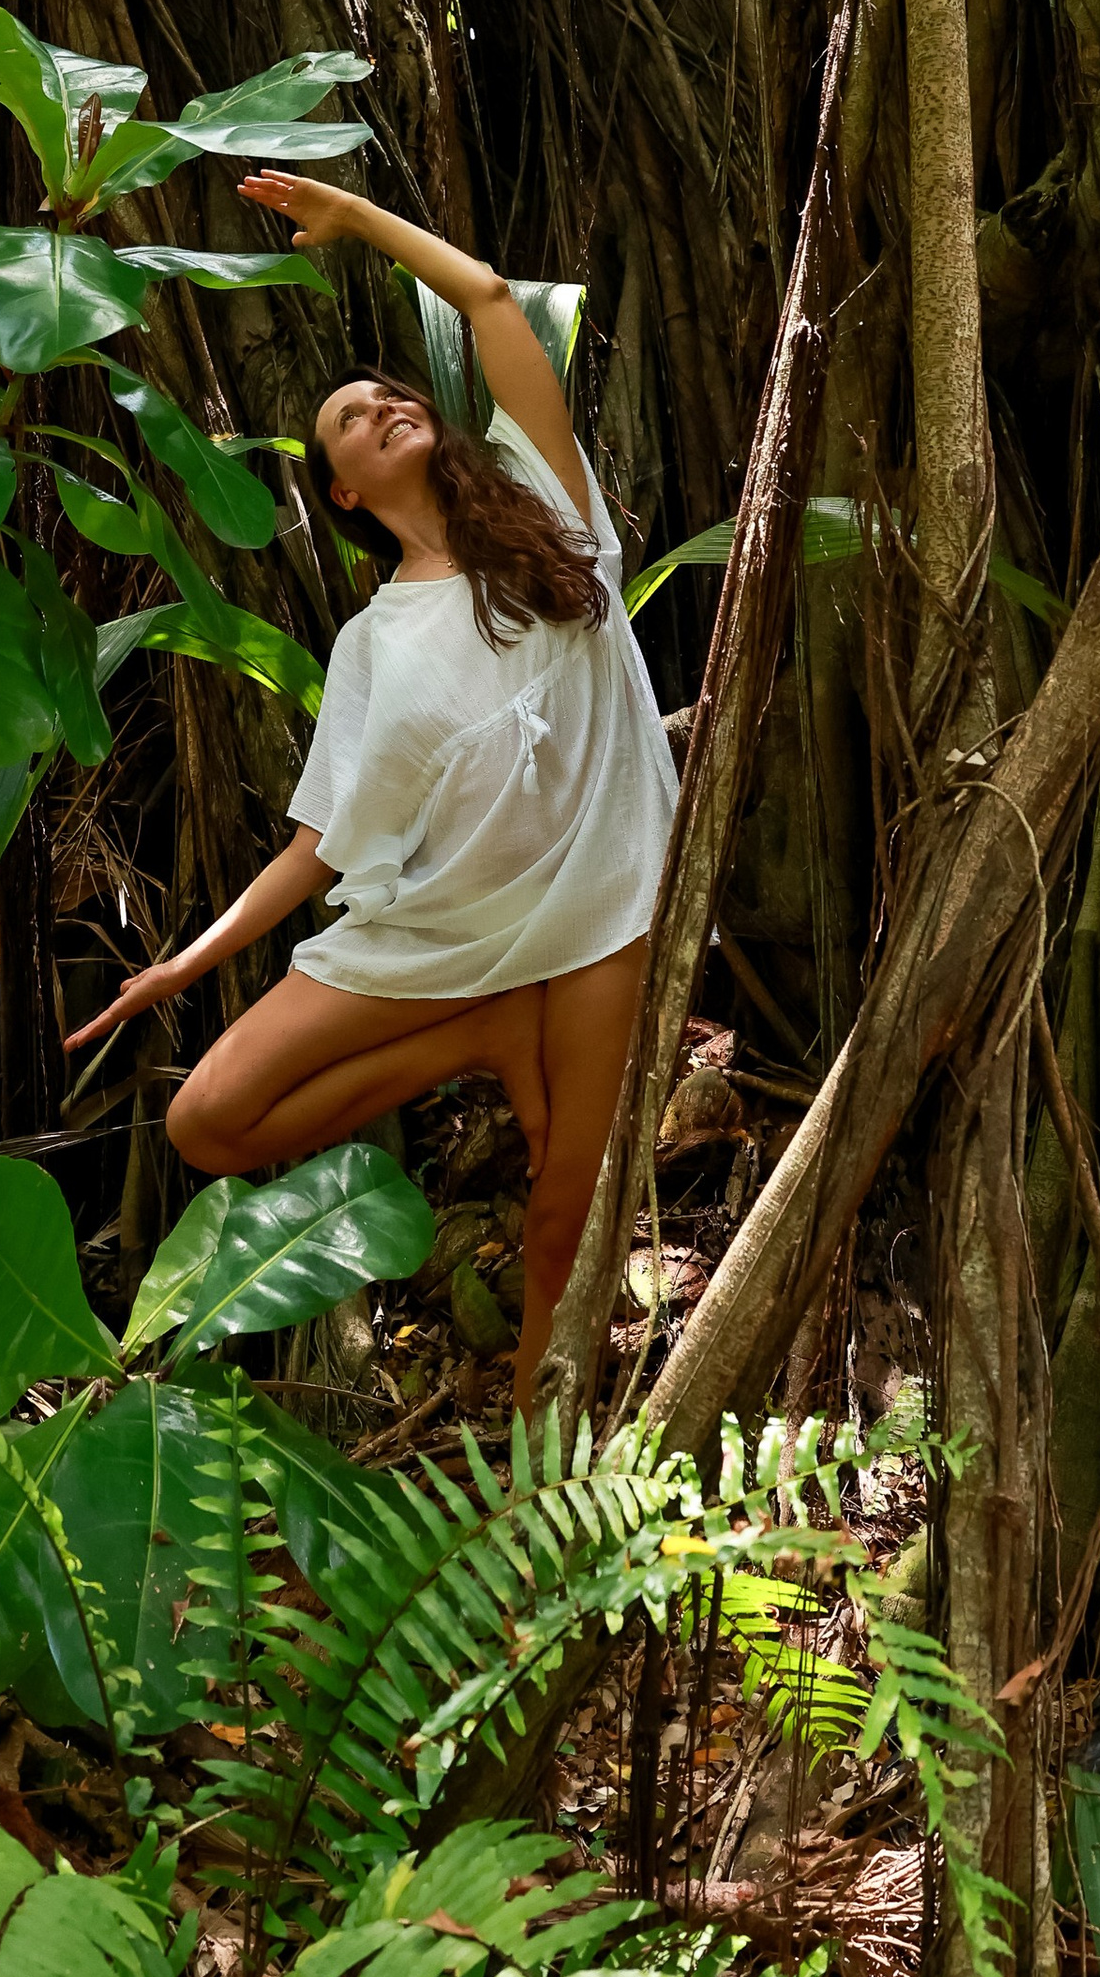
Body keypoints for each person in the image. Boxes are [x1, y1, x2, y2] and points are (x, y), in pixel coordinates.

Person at [63, 171, 679, 1387]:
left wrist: (358, 225)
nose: (385, 406)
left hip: (600, 908)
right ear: (343, 492)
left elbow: (491, 299)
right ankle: (484, 1035)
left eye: (394, 393)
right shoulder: (370, 645)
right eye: (352, 416)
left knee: (566, 1214)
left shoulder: (551, 507)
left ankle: (538, 1475)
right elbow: (325, 844)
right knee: (208, 1121)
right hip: (448, 937)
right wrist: (187, 962)